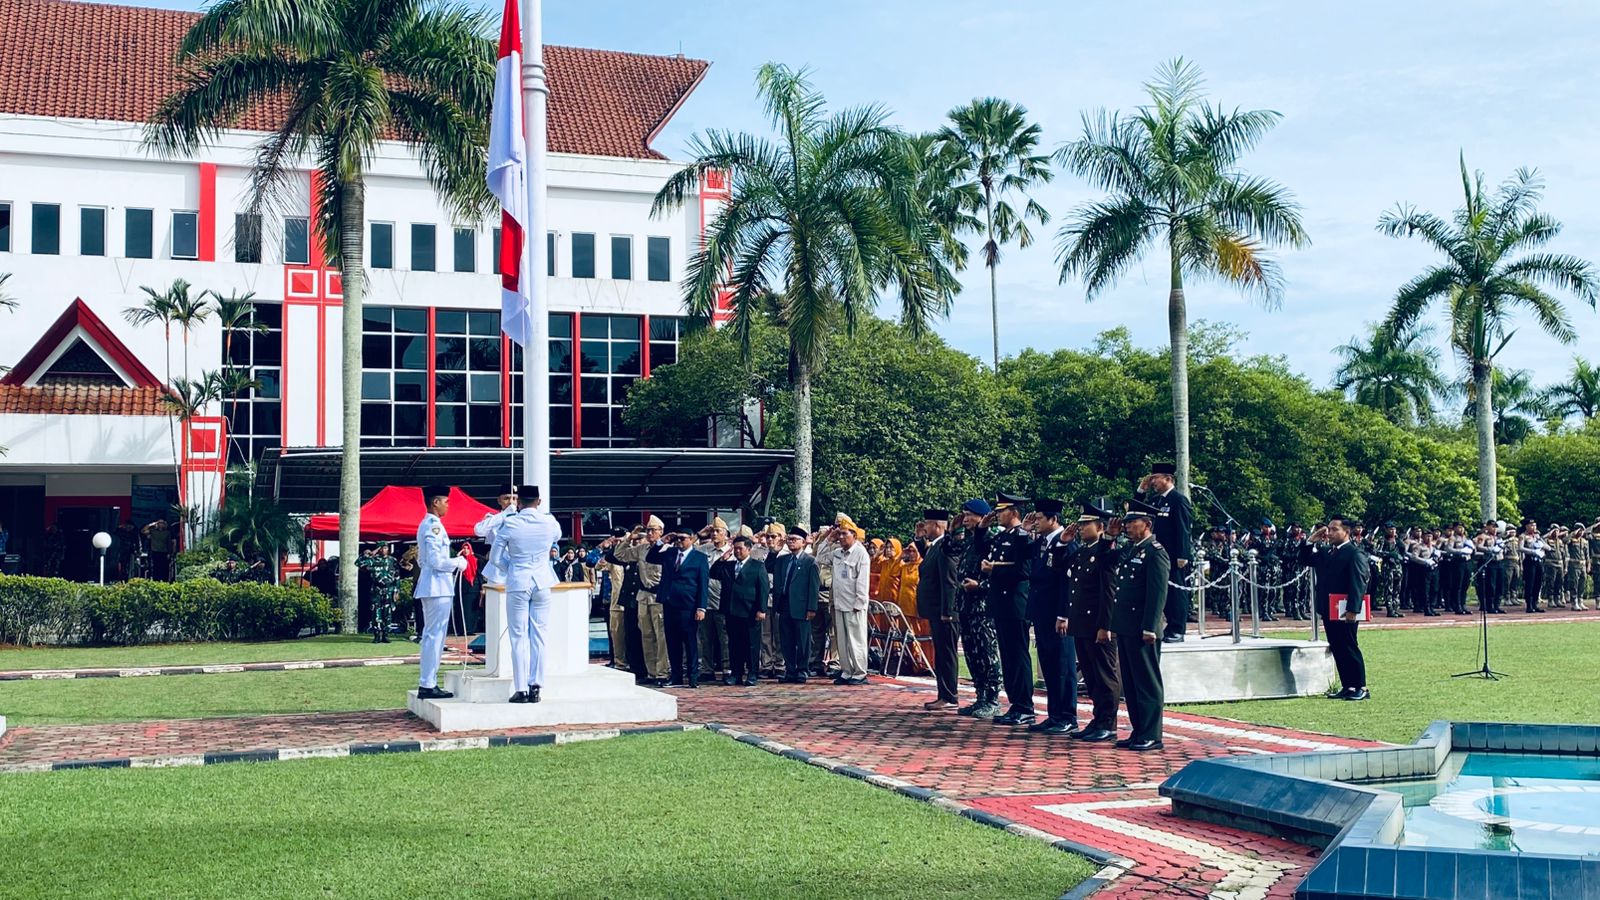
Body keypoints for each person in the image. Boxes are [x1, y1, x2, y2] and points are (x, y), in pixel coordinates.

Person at [490, 485, 563, 703]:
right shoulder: (549, 522)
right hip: (542, 580)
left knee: (518, 636)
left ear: (519, 502)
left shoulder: (511, 523)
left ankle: (521, 688)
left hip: (519, 580)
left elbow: (495, 557)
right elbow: (557, 536)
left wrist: (511, 569)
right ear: (538, 502)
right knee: (539, 635)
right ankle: (536, 685)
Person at [1112, 499, 1170, 752]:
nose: (1126, 526)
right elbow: (1107, 560)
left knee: (1147, 682)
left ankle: (1152, 734)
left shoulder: (1155, 552)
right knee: (1132, 683)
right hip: (1126, 625)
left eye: (1131, 522)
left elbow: (1157, 594)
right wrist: (1110, 537)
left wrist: (1150, 626)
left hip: (1142, 627)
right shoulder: (1132, 549)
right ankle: (1139, 731)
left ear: (1146, 524)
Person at [1064, 504, 1121, 743]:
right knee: (1090, 675)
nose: (1081, 528)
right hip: (1082, 622)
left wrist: (1106, 625)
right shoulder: (1081, 552)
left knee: (1104, 676)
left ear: (1099, 528)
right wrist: (1063, 543)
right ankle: (1098, 719)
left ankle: (1108, 722)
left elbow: (1109, 592)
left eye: (1086, 524)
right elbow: (1059, 568)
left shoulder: (1105, 552)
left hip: (1097, 623)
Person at [982, 493, 1038, 726]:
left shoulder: (1022, 537)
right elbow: (982, 550)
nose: (997, 515)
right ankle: (1016, 703)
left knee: (1018, 656)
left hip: (1015, 604)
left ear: (1013, 512)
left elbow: (1023, 570)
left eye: (1001, 511)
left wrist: (995, 569)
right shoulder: (1003, 536)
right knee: (1008, 656)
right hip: (1002, 604)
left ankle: (1024, 706)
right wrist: (981, 530)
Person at [1303, 515, 1370, 701]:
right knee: (1338, 647)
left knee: (1349, 646)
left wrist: (1353, 609)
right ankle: (1348, 685)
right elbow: (1305, 559)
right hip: (1329, 607)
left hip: (1345, 609)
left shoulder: (1354, 553)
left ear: (1346, 532)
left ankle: (1361, 687)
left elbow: (1358, 582)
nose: (1329, 533)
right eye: (1329, 529)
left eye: (1334, 529)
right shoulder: (1327, 552)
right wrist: (1311, 541)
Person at [414, 485, 469, 700]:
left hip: (434, 585)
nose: (448, 505)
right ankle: (428, 683)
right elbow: (436, 561)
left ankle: (429, 682)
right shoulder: (433, 526)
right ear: (435, 502)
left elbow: (423, 559)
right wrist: (458, 562)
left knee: (434, 636)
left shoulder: (429, 524)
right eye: (446, 501)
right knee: (434, 636)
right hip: (436, 586)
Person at [1027, 499, 1077, 735]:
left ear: (1053, 519)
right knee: (1048, 665)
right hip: (1042, 612)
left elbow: (1067, 583)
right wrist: (1024, 532)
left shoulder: (1066, 542)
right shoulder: (1041, 542)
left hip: (1057, 614)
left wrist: (1063, 614)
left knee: (1063, 666)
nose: (1035, 522)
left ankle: (1067, 716)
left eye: (1039, 518)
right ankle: (1054, 714)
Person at [954, 498, 1001, 718]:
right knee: (972, 654)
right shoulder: (969, 541)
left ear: (983, 517)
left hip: (982, 607)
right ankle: (980, 697)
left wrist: (980, 586)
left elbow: (998, 576)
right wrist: (952, 531)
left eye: (969, 515)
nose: (965, 519)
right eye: (964, 514)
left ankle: (992, 700)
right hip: (966, 605)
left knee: (987, 654)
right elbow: (949, 549)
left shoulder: (991, 540)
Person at [1138, 462, 1193, 642]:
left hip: (1172, 555)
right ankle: (1165, 626)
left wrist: (1182, 555)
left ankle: (1177, 629)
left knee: (1175, 592)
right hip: (1155, 554)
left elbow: (1183, 529)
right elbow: (1136, 512)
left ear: (1168, 479)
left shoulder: (1178, 500)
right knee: (1160, 590)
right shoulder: (1156, 501)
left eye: (1156, 478)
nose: (1152, 481)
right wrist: (1141, 491)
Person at [613, 517, 669, 684]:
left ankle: (662, 672)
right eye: (648, 530)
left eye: (653, 530)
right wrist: (629, 538)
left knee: (661, 636)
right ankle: (651, 672)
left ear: (661, 532)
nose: (650, 533)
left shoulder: (667, 549)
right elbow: (619, 555)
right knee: (646, 635)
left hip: (659, 595)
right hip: (643, 596)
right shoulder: (641, 549)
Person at [651, 529, 711, 688]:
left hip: (688, 604)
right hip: (669, 602)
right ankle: (676, 676)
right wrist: (662, 541)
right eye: (677, 538)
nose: (679, 541)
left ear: (691, 539)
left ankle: (693, 676)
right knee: (672, 641)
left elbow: (703, 583)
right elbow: (650, 557)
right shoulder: (670, 553)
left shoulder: (699, 557)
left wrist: (701, 607)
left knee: (690, 641)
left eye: (683, 538)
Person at [915, 509, 960, 710]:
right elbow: (928, 562)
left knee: (946, 654)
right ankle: (944, 694)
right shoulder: (936, 546)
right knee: (940, 654)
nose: (924, 527)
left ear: (937, 525)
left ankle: (949, 696)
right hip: (936, 610)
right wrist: (918, 539)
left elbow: (949, 581)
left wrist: (947, 611)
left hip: (945, 612)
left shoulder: (945, 547)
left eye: (927, 524)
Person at [713, 535, 769, 686]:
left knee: (751, 644)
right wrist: (722, 560)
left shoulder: (757, 566)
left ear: (749, 549)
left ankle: (752, 672)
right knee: (734, 643)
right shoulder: (729, 565)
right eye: (735, 548)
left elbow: (763, 588)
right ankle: (736, 673)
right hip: (731, 610)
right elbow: (713, 573)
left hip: (750, 611)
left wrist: (761, 609)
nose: (737, 551)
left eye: (740, 548)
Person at [772, 527, 820, 683]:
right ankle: (790, 670)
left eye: (795, 539)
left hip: (801, 606)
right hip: (784, 604)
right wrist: (775, 551)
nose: (791, 542)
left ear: (803, 542)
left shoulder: (809, 561)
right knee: (786, 640)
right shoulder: (782, 560)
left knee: (803, 640)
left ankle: (802, 670)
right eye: (789, 539)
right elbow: (769, 568)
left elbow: (813, 587)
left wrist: (811, 607)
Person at [828, 523, 872, 685]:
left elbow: (862, 581)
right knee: (842, 640)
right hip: (839, 602)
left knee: (856, 640)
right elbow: (820, 558)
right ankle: (847, 671)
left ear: (854, 535)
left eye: (844, 534)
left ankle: (859, 673)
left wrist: (859, 602)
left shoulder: (860, 553)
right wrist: (828, 540)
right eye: (839, 534)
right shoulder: (837, 553)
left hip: (854, 604)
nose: (841, 537)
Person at [695, 518, 734, 684]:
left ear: (726, 534)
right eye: (712, 531)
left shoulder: (732, 552)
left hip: (722, 600)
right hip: (705, 600)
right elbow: (688, 548)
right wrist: (699, 534)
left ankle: (727, 669)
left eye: (718, 531)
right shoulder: (704, 549)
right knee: (705, 638)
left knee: (725, 638)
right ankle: (707, 669)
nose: (714, 534)